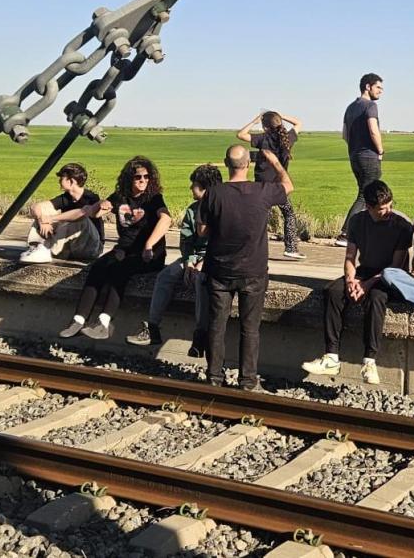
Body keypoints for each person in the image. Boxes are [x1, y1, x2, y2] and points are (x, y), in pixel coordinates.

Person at [199, 145, 293, 391]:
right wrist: (275, 162)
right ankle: (248, 380)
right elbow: (288, 186)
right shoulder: (262, 191)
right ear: (248, 164)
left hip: (219, 271)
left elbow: (202, 231)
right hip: (253, 271)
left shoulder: (214, 193)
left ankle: (214, 378)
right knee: (250, 329)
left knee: (216, 327)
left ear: (226, 163)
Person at [303, 179, 411, 385]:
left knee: (377, 298)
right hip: (365, 271)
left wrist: (367, 284)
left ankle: (370, 360)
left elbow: (395, 268)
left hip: (390, 276)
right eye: (382, 209)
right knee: (333, 291)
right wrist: (351, 281)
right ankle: (331, 356)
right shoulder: (357, 221)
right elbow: (350, 257)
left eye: (390, 206)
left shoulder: (401, 226)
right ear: (369, 207)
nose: (388, 211)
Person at [59, 156, 170, 341]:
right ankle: (78, 320)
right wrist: (98, 206)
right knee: (99, 267)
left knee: (120, 270)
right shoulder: (120, 197)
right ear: (129, 178)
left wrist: (150, 245)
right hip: (124, 249)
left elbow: (166, 219)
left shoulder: (154, 199)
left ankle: (104, 322)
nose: (143, 180)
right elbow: (93, 211)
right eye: (138, 177)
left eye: (146, 176)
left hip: (149, 254)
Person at [126, 164, 221, 352]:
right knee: (164, 276)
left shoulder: (221, 210)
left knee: (201, 282)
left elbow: (223, 240)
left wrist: (204, 261)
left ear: (204, 187)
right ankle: (152, 328)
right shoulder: (193, 210)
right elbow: (186, 241)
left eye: (193, 185)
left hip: (214, 259)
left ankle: (200, 335)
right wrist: (189, 261)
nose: (190, 188)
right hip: (193, 257)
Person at [237, 110, 305, 259]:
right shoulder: (288, 137)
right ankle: (291, 248)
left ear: (264, 126)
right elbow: (299, 123)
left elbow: (240, 134)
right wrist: (282, 116)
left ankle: (251, 247)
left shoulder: (263, 138)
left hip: (262, 185)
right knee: (288, 213)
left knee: (259, 217)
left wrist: (254, 121)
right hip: (279, 184)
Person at [19, 162, 104, 264]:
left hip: (90, 247)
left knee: (81, 218)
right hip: (70, 247)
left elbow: (82, 212)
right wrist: (42, 220)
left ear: (71, 181)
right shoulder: (66, 198)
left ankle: (46, 248)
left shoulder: (91, 198)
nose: (59, 181)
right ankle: (38, 247)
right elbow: (36, 207)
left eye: (62, 178)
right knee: (43, 212)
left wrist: (51, 219)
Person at [336, 73, 385, 247]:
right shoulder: (370, 106)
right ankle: (345, 233)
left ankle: (364, 231)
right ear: (367, 87)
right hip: (369, 157)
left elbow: (344, 134)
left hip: (355, 156)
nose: (381, 91)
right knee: (366, 195)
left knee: (365, 194)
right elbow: (373, 130)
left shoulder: (350, 107)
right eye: (378, 87)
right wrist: (380, 150)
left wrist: (355, 147)